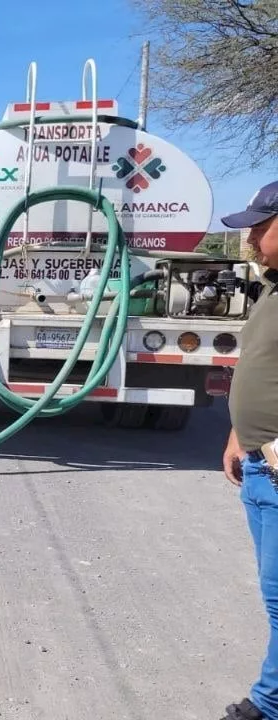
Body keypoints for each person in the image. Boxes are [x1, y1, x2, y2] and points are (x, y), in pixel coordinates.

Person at [220, 180, 278, 720]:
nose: (252, 237)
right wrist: (240, 434)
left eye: (262, 225)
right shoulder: (274, 289)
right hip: (260, 468)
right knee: (273, 594)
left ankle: (267, 705)